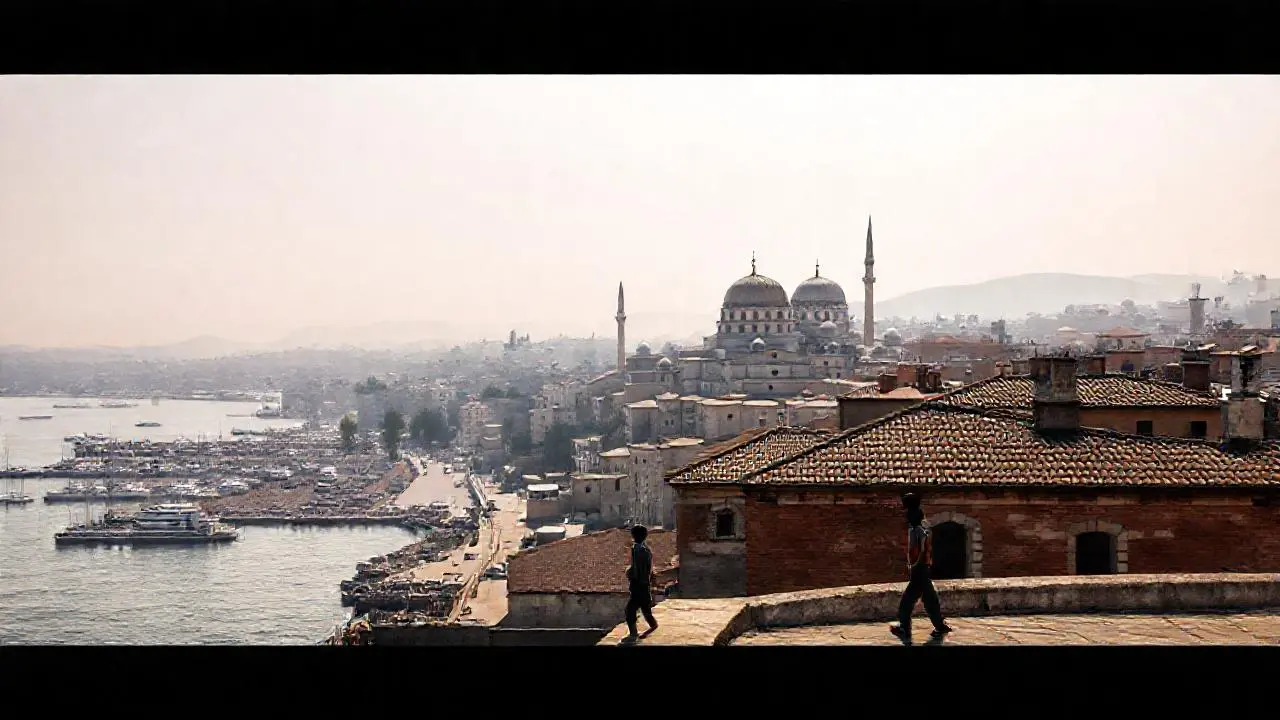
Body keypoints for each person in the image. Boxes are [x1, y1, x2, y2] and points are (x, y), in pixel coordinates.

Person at [889, 493, 952, 643]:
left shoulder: (914, 530)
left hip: (918, 569)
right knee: (930, 598)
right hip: (923, 568)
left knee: (907, 602)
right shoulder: (923, 527)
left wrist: (913, 564)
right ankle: (940, 625)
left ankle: (904, 629)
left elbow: (919, 549)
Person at [620, 524, 659, 645]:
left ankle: (633, 634)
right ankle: (653, 626)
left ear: (634, 536)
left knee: (630, 611)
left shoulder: (639, 550)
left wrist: (631, 573)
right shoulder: (643, 549)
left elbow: (639, 569)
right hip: (643, 585)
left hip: (640, 586)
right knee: (645, 611)